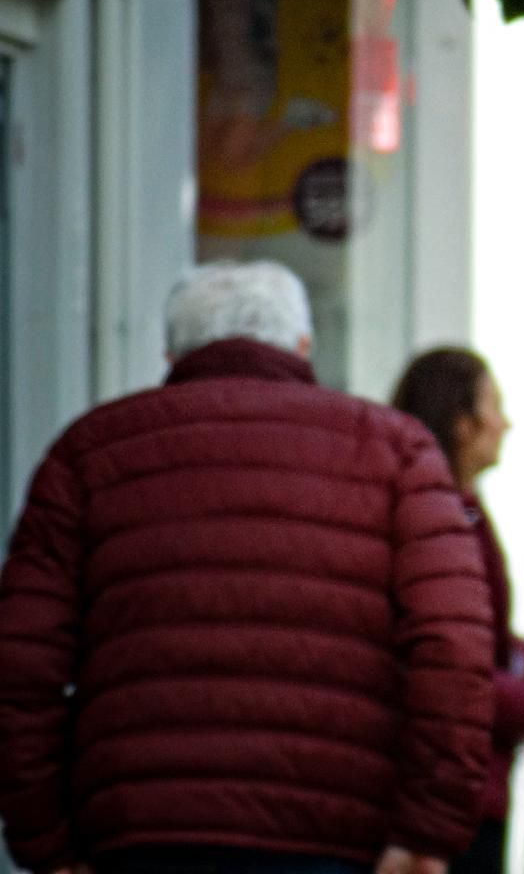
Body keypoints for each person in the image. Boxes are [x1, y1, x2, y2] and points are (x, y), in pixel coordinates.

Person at [0, 261, 495, 874]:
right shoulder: (396, 452)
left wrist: (45, 842)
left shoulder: (86, 453)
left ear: (170, 352)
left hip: (139, 833)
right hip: (336, 836)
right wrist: (426, 831)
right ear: (302, 346)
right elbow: (452, 649)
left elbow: (21, 666)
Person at [393, 348, 524, 874]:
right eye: (493, 405)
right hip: (448, 795)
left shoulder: (461, 512)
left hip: (464, 785)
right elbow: (448, 668)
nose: (506, 422)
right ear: (462, 424)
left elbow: (489, 642)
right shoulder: (440, 520)